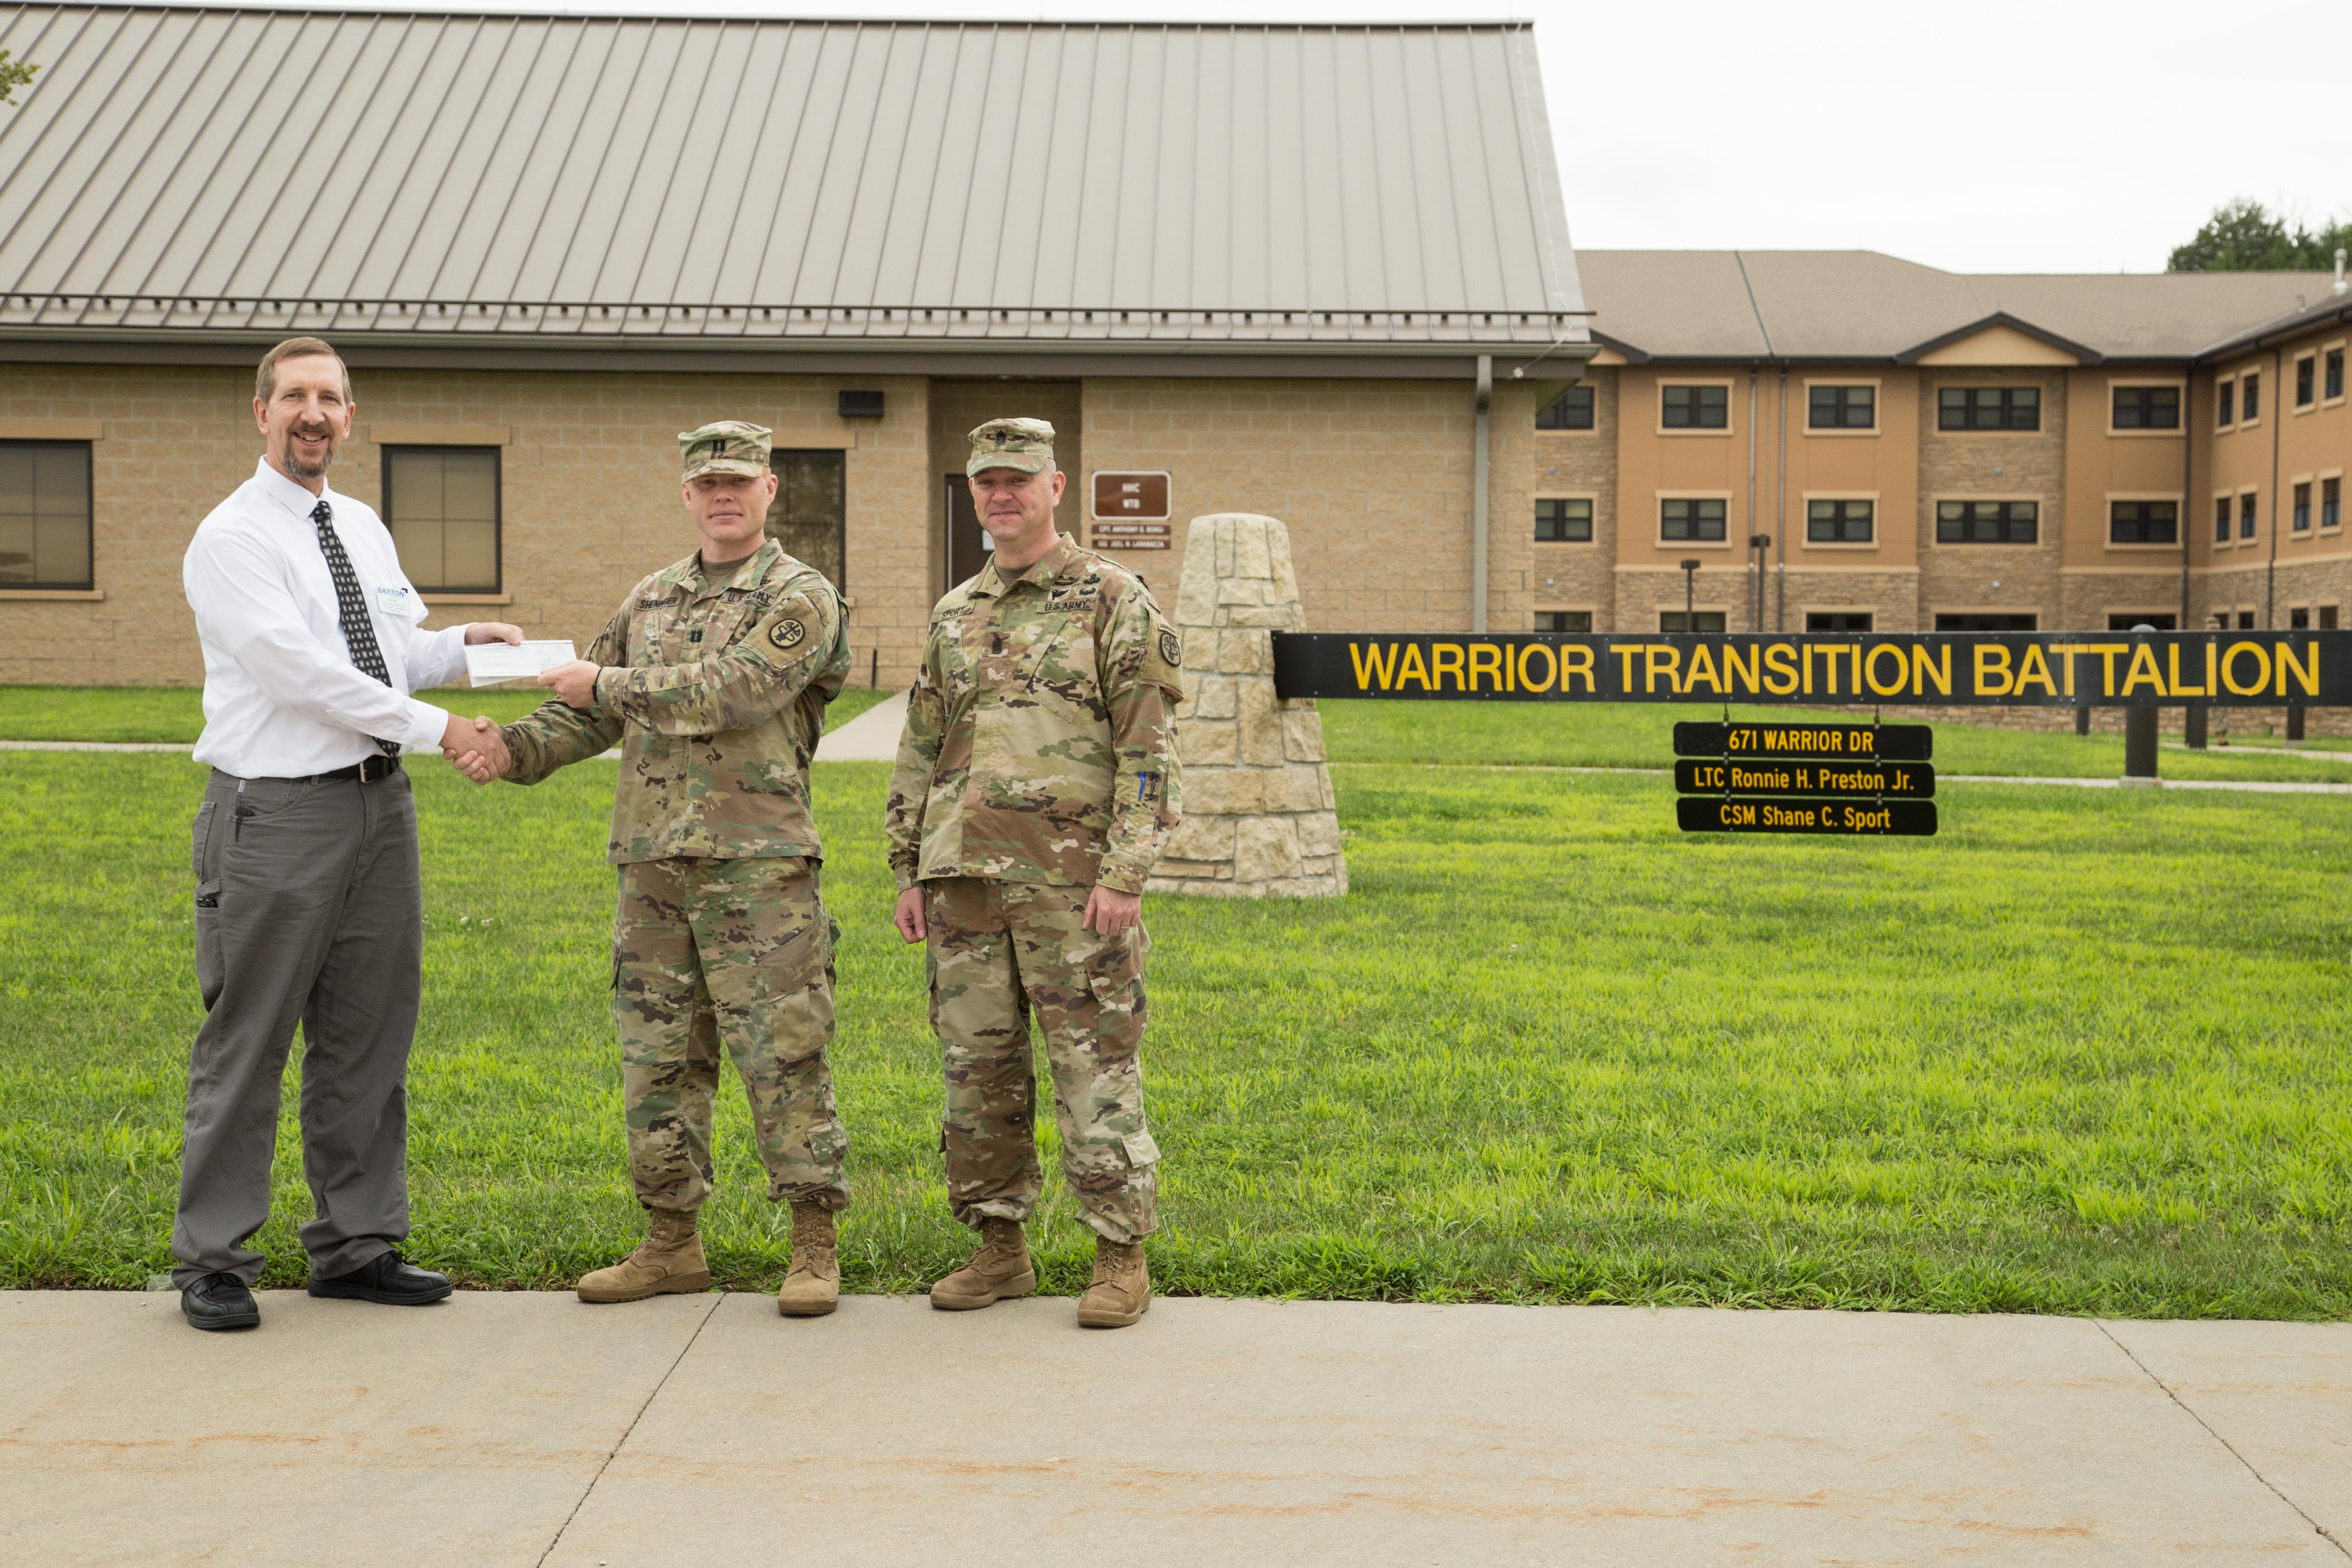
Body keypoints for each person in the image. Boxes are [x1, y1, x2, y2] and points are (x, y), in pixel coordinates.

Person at [450, 422, 853, 1316]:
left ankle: (814, 1242)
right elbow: (587, 713)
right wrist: (506, 750)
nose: (724, 495)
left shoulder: (801, 596)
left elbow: (734, 688)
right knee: (657, 1058)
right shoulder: (652, 598)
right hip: (653, 866)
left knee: (783, 1052)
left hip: (760, 867)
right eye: (708, 482)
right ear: (685, 494)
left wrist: (608, 686)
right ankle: (672, 1242)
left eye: (739, 481)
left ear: (770, 490)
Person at [175, 336, 523, 1332]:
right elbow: (303, 674)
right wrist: (442, 728)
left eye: (330, 397)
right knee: (249, 1038)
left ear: (350, 416)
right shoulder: (232, 538)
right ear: (261, 412)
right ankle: (214, 1256)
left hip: (378, 809)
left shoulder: (360, 524)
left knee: (370, 1034)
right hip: (277, 814)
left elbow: (385, 651)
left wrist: (465, 648)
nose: (313, 413)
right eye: (294, 396)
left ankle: (357, 1243)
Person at [884, 418, 1185, 1329]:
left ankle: (1118, 1254)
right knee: (978, 1073)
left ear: (1056, 487)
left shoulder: (1110, 598)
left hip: (1072, 886)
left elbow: (1150, 748)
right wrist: (907, 865)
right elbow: (920, 747)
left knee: (1094, 1067)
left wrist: (1125, 870)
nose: (1001, 494)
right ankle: (997, 1246)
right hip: (964, 880)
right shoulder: (953, 611)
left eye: (1019, 478)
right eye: (986, 482)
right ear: (972, 493)